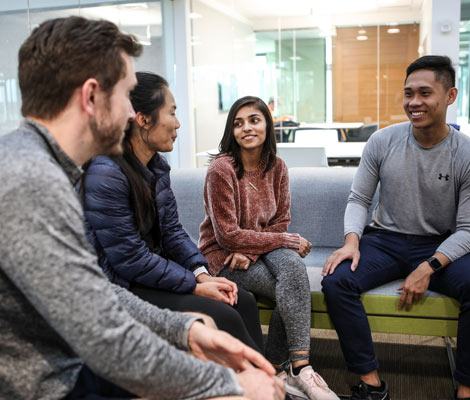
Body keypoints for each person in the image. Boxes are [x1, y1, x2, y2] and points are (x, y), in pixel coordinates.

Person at [0, 16, 284, 400]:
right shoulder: (30, 180)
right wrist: (227, 384)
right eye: (126, 96)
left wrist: (183, 330)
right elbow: (103, 334)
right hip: (52, 382)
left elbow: (92, 294)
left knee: (203, 333)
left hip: (68, 361)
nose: (131, 114)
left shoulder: (43, 166)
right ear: (91, 97)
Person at [321, 55, 470, 400]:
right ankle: (371, 383)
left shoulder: (468, 155)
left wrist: (429, 266)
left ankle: (468, 390)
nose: (414, 102)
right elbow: (359, 199)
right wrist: (352, 241)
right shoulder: (382, 142)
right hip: (385, 240)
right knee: (337, 280)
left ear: (450, 96)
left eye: (425, 93)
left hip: (440, 243)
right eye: (408, 94)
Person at [82, 71, 264, 353]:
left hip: (154, 275)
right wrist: (193, 286)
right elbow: (129, 259)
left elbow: (172, 232)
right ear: (143, 119)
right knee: (224, 314)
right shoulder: (105, 173)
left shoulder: (156, 165)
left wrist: (202, 274)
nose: (178, 124)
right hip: (122, 286)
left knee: (242, 300)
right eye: (172, 112)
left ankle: (266, 381)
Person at [199, 95, 339, 400]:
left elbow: (280, 221)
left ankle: (296, 368)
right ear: (231, 130)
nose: (246, 128)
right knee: (290, 286)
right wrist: (280, 242)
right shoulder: (220, 170)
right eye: (238, 123)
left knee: (293, 270)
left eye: (254, 120)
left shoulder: (277, 167)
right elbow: (226, 236)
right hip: (223, 258)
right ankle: (285, 369)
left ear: (267, 125)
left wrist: (251, 251)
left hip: (252, 252)